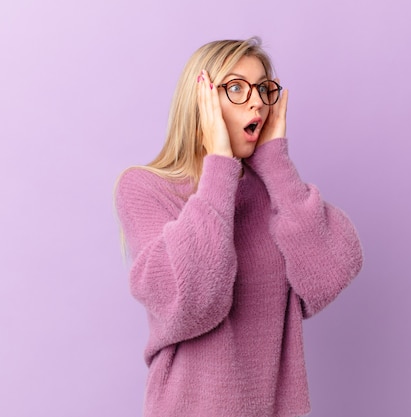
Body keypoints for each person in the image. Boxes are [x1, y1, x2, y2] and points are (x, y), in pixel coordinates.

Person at [114, 37, 363, 417]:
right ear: (202, 103)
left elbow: (329, 275)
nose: (258, 102)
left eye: (264, 88)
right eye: (236, 87)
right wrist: (218, 168)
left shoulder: (275, 192)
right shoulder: (145, 188)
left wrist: (277, 163)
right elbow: (194, 302)